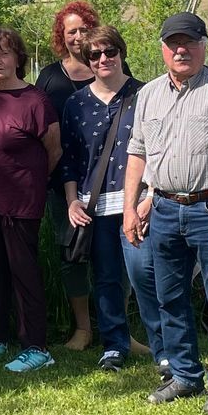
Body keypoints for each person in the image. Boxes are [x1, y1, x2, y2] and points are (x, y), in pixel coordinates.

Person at [123, 11, 208, 414]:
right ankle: (184, 375)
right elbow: (137, 153)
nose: (180, 50)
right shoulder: (149, 94)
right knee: (170, 298)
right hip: (164, 208)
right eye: (173, 43)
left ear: (203, 45)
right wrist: (130, 208)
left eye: (189, 42)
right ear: (163, 49)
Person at [0, 26, 60, 372]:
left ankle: (36, 346)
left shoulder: (36, 101)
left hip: (20, 204)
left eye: (4, 53)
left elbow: (54, 151)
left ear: (18, 58)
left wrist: (31, 183)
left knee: (24, 273)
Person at [59, 24, 144, 373]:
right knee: (107, 278)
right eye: (95, 54)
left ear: (121, 52)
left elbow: (160, 150)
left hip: (139, 202)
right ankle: (114, 345)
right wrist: (72, 201)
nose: (103, 59)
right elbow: (69, 159)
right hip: (96, 206)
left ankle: (166, 345)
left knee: (146, 276)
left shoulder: (146, 94)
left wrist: (150, 197)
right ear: (87, 60)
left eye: (110, 51)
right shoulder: (76, 104)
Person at [35, 0, 102, 350]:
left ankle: (118, 328)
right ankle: (83, 328)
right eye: (71, 31)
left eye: (83, 30)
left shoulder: (108, 64)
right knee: (72, 253)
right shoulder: (49, 76)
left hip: (108, 178)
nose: (78, 37)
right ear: (61, 36)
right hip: (61, 181)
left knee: (114, 254)